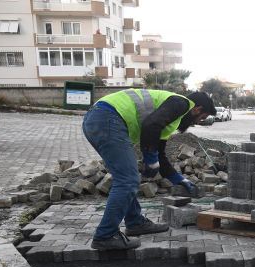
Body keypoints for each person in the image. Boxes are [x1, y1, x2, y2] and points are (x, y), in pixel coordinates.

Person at [82, 89, 216, 250]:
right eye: (201, 118)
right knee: (128, 180)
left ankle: (135, 223)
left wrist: (179, 179)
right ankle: (105, 236)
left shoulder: (169, 116)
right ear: (197, 109)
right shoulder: (181, 103)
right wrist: (150, 158)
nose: (196, 122)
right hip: (108, 118)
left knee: (125, 178)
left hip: (101, 119)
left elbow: (160, 155)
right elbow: (150, 125)